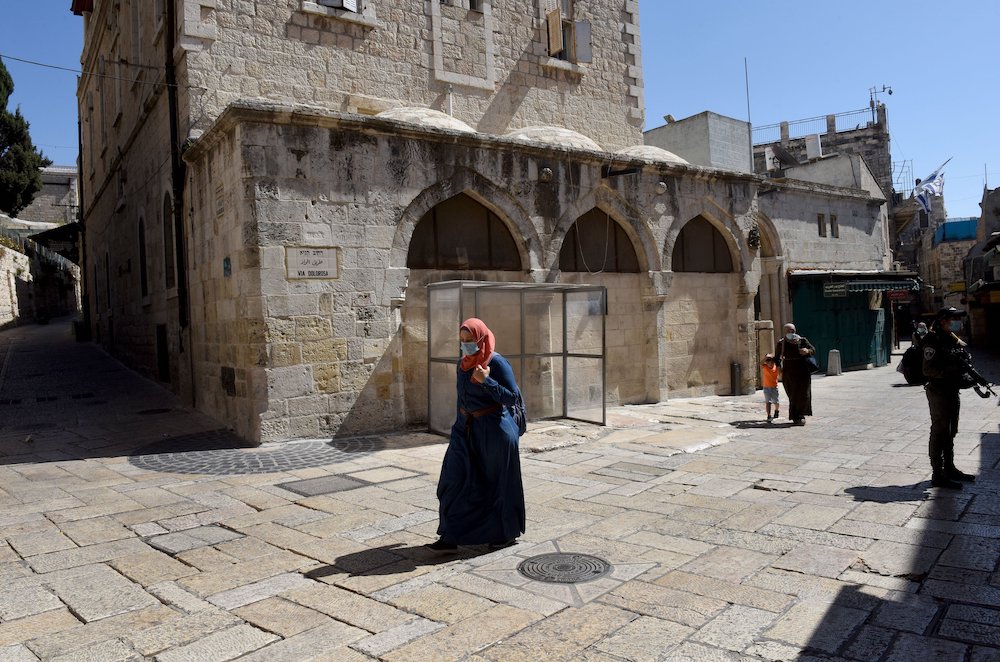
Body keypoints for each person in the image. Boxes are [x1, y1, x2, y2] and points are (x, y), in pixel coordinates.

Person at [427, 318, 526, 552]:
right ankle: (451, 535)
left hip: (494, 432)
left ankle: (504, 533)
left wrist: (487, 381)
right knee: (453, 480)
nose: (465, 345)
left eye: (470, 340)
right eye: (462, 341)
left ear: (481, 338)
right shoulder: (462, 364)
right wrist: (458, 427)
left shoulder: (497, 362)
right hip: (465, 429)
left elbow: (511, 398)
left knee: (497, 485)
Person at [921, 307, 979, 489]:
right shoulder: (933, 339)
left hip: (952, 390)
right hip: (938, 391)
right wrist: (950, 371)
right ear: (942, 321)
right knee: (940, 431)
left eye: (957, 318)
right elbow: (927, 369)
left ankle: (950, 468)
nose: (956, 322)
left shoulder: (953, 339)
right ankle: (937, 474)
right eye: (952, 318)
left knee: (952, 430)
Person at [776, 323, 816, 425]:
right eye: (789, 331)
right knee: (793, 395)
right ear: (785, 331)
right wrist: (779, 368)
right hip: (789, 372)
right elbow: (776, 358)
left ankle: (801, 414)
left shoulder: (802, 340)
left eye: (792, 330)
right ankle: (795, 416)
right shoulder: (782, 343)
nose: (791, 332)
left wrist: (807, 351)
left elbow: (813, 350)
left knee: (804, 394)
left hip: (803, 371)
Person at [760, 354, 781, 422]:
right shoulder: (765, 367)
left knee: (776, 402)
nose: (770, 364)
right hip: (766, 387)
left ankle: (776, 410)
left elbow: (781, 371)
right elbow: (760, 363)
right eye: (768, 363)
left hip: (774, 387)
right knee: (768, 402)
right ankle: (769, 415)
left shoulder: (776, 367)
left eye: (771, 363)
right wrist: (766, 357)